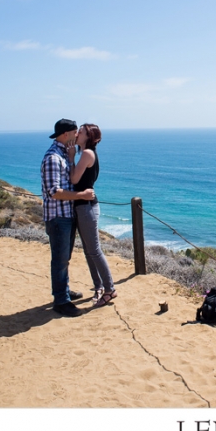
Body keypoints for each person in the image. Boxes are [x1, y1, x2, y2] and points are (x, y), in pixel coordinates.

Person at [41, 118, 95, 317]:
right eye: (74, 133)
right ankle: (61, 301)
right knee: (60, 259)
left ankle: (63, 292)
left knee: (65, 257)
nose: (77, 136)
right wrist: (81, 196)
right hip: (58, 217)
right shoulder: (53, 158)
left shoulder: (64, 154)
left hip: (66, 215)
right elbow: (54, 191)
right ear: (66, 135)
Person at [69, 123, 117, 307]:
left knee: (94, 250)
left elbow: (74, 179)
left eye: (81, 132)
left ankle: (110, 289)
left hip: (86, 207)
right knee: (89, 250)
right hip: (84, 206)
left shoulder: (87, 154)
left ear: (89, 137)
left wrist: (71, 157)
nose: (78, 133)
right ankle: (99, 287)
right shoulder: (87, 153)